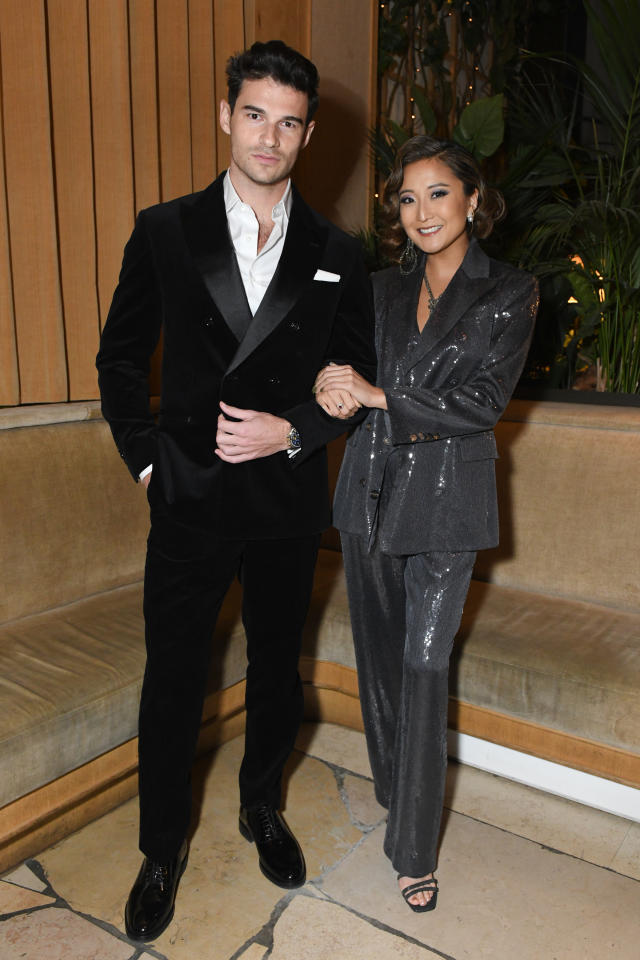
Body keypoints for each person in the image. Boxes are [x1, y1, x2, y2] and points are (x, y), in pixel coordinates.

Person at [96, 39, 375, 942]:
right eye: (254, 114)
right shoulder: (165, 230)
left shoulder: (340, 249)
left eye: (288, 121)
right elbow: (119, 360)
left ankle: (262, 807)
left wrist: (294, 429)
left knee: (274, 673)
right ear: (226, 116)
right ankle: (161, 849)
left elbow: (359, 377)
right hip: (189, 495)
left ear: (307, 133)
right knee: (174, 679)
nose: (270, 136)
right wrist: (148, 462)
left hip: (288, 502)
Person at [313, 135, 538, 912]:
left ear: (473, 200)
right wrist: (334, 384)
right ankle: (396, 789)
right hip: (370, 494)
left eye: (438, 193)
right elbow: (338, 367)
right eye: (407, 199)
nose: (422, 212)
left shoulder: (511, 290)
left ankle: (412, 850)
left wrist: (378, 396)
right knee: (377, 660)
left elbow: (483, 402)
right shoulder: (374, 290)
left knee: (422, 664)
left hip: (447, 504)